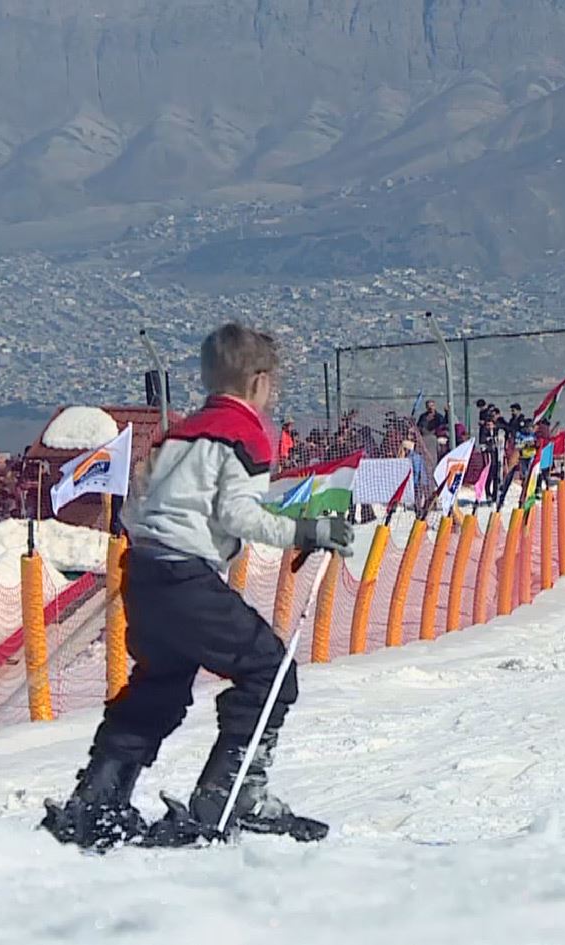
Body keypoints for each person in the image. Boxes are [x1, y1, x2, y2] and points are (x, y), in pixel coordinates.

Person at [41, 324, 355, 851]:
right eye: (272, 384)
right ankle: (231, 794)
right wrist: (308, 530)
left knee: (160, 682)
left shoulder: (179, 434)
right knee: (268, 670)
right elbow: (237, 513)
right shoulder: (246, 433)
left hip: (144, 572)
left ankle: (99, 796)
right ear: (259, 383)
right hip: (186, 574)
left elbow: (138, 503)